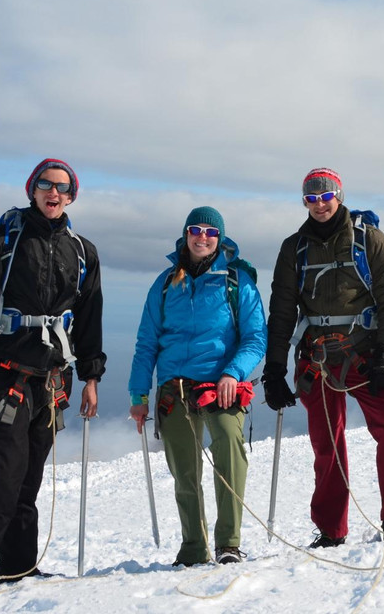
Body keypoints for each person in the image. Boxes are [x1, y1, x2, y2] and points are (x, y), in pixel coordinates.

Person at [0, 158, 106, 590]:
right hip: (7, 374)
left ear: (72, 195)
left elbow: (89, 319)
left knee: (28, 480)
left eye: (62, 187)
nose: (53, 193)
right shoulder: (2, 239)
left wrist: (91, 377)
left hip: (53, 381)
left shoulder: (83, 252)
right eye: (45, 184)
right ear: (31, 189)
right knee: (2, 475)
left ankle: (18, 570)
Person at [263, 168, 384, 548]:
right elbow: (283, 311)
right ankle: (331, 529)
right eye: (311, 197)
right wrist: (273, 369)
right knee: (327, 443)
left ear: (339, 194)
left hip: (365, 353)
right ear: (304, 201)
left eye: (326, 195)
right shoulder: (294, 248)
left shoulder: (369, 239)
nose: (319, 204)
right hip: (316, 358)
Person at [129, 207, 266, 566]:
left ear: (220, 238)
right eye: (195, 229)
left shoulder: (238, 282)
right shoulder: (164, 283)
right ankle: (193, 547)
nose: (202, 237)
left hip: (222, 385)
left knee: (229, 451)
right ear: (185, 234)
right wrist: (138, 393)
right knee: (184, 472)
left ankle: (228, 544)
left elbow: (255, 338)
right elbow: (148, 342)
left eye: (210, 231)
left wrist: (232, 374)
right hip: (175, 388)